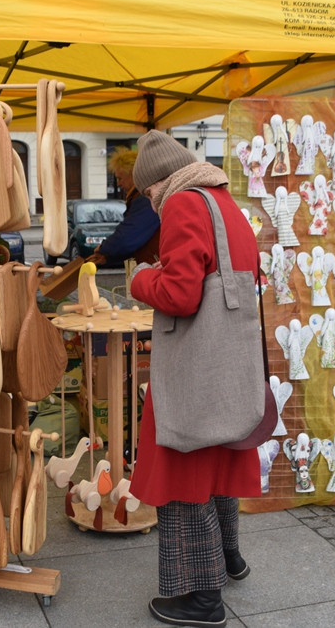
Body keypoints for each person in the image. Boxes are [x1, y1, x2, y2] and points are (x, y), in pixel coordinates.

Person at [128, 130, 261, 627]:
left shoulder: (183, 204)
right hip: (230, 362)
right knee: (217, 464)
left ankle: (201, 598)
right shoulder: (225, 203)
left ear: (154, 186)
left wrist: (142, 278)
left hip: (196, 365)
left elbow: (182, 295)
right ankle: (229, 558)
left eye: (147, 196)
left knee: (184, 473)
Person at [86, 146, 160, 266]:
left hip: (157, 266)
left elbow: (128, 237)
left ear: (133, 174)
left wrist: (103, 248)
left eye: (120, 178)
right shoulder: (142, 196)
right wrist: (108, 258)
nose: (119, 184)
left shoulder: (145, 198)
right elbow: (137, 241)